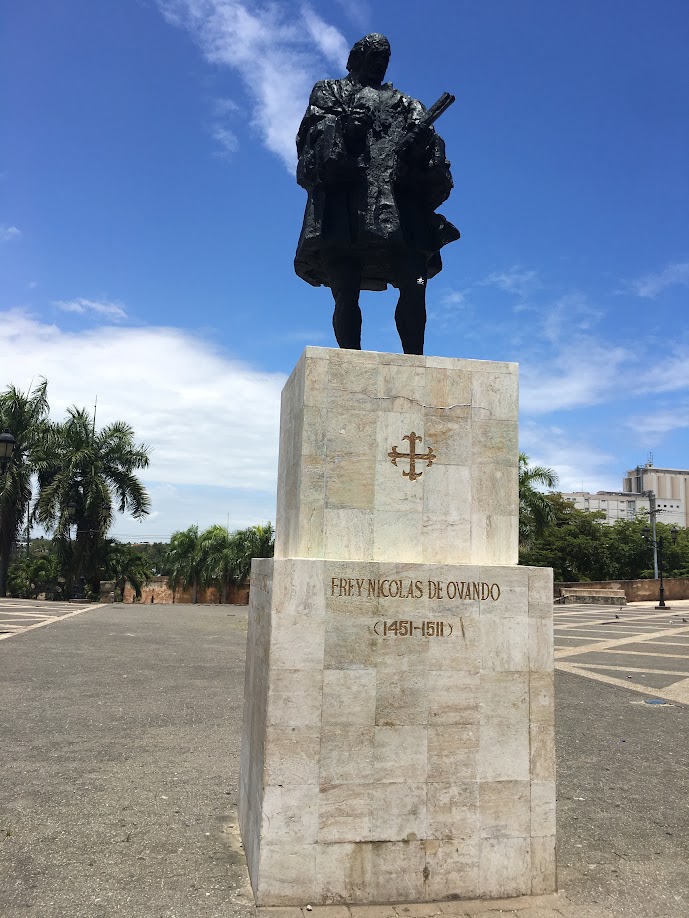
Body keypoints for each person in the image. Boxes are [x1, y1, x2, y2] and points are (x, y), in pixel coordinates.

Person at [294, 33, 459, 355]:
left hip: (401, 210)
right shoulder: (330, 91)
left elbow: (435, 157)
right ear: (355, 59)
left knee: (415, 284)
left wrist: (420, 150)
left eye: (385, 58)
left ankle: (415, 360)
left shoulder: (409, 106)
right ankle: (349, 359)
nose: (380, 63)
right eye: (374, 56)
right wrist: (344, 131)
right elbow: (311, 138)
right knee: (345, 289)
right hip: (344, 208)